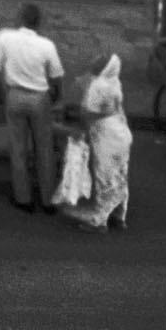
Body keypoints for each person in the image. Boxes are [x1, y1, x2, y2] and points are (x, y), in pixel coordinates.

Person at [0, 0, 65, 213]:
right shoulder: (47, 45)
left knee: (18, 150)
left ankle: (24, 199)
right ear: (38, 23)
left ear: (20, 18)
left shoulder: (4, 37)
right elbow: (57, 78)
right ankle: (48, 201)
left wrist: (1, 96)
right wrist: (54, 98)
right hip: (40, 99)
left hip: (14, 96)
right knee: (44, 150)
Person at [63, 54, 133, 232]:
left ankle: (99, 221)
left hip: (106, 137)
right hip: (122, 133)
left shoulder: (98, 85)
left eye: (98, 62)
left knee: (104, 176)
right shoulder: (115, 82)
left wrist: (78, 126)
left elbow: (87, 113)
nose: (93, 62)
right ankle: (119, 216)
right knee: (120, 175)